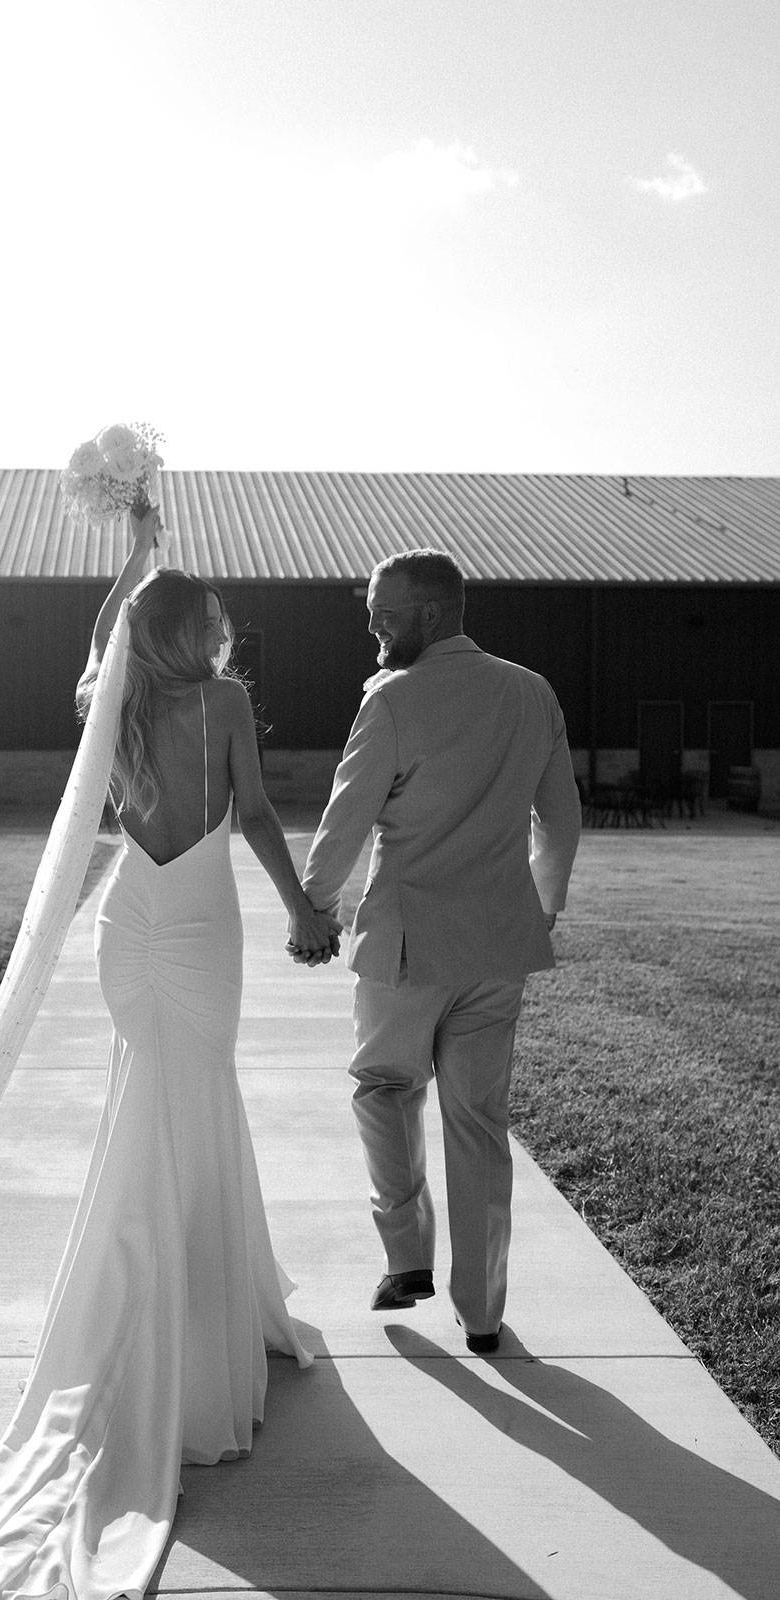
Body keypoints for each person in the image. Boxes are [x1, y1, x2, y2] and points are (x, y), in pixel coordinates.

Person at [0, 507, 339, 1599]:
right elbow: (256, 815)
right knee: (197, 1091)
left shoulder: (106, 702)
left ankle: (168, 1291)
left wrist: (132, 555)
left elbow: (97, 638)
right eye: (211, 620)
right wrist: (304, 909)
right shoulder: (221, 702)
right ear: (194, 633)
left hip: (131, 923)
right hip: (204, 918)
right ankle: (198, 1324)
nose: (223, 635)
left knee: (151, 1097)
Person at [295, 547, 581, 1354]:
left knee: (384, 1088)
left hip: (407, 945)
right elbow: (558, 817)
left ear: (431, 613)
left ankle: (406, 1258)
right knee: (479, 1124)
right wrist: (545, 903)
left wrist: (315, 906)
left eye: (385, 615)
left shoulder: (392, 698)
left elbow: (347, 815)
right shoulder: (532, 691)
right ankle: (483, 1310)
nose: (373, 629)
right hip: (498, 945)